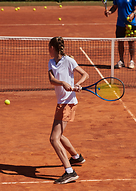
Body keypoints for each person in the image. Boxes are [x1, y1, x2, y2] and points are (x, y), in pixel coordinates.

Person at [48, 36, 89, 184]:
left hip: (69, 103)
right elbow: (52, 80)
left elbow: (85, 74)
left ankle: (69, 171)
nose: (48, 50)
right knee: (59, 135)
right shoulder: (51, 62)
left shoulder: (69, 61)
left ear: (53, 48)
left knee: (54, 138)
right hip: (61, 102)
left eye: (49, 47)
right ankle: (76, 157)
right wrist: (63, 83)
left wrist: (77, 84)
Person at [105, 0, 136, 69]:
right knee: (120, 42)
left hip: (131, 24)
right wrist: (109, 12)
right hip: (120, 23)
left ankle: (132, 61)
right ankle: (121, 60)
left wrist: (133, 14)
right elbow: (114, 7)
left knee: (131, 42)